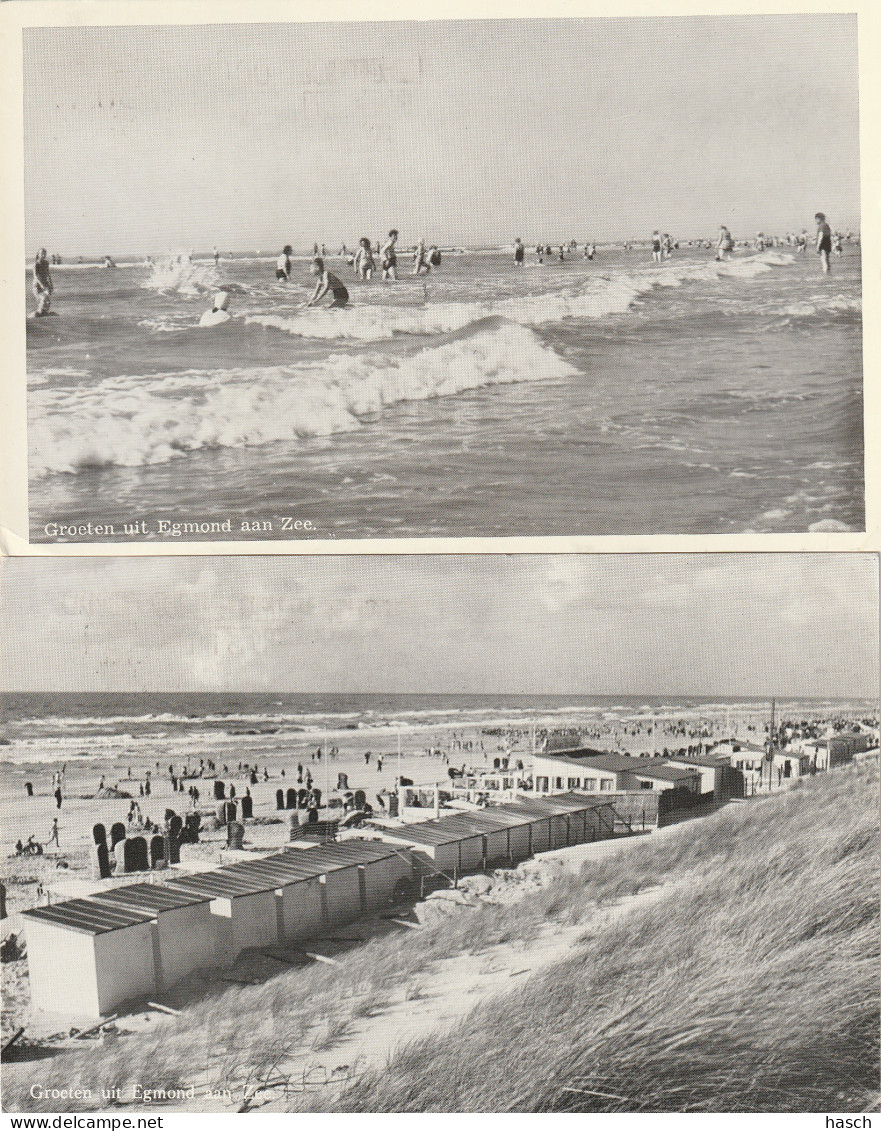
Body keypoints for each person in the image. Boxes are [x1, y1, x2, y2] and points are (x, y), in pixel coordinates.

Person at [32, 248, 53, 315]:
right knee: (43, 300)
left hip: (45, 285)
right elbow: (36, 276)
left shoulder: (46, 263)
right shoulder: (36, 264)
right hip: (37, 286)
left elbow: (48, 274)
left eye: (45, 253)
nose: (43, 255)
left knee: (48, 302)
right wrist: (41, 285)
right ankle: (34, 315)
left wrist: (51, 284)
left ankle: (44, 315)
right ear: (38, 254)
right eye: (42, 253)